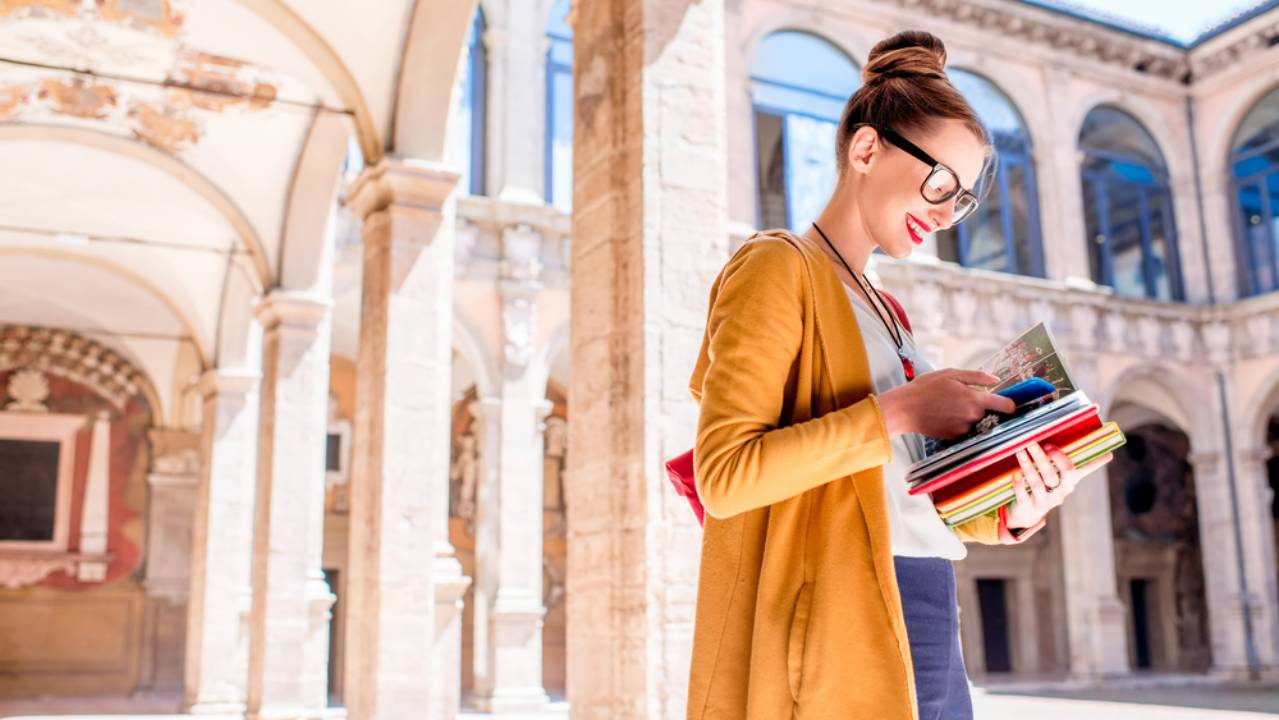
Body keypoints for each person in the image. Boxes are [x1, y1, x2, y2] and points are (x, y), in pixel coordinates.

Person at [684, 30, 1113, 720]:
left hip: (930, 603)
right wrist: (903, 410)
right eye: (940, 182)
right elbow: (727, 477)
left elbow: (902, 499)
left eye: (963, 199)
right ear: (864, 149)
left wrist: (1013, 510)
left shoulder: (889, 312)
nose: (946, 214)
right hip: (839, 612)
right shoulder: (776, 268)